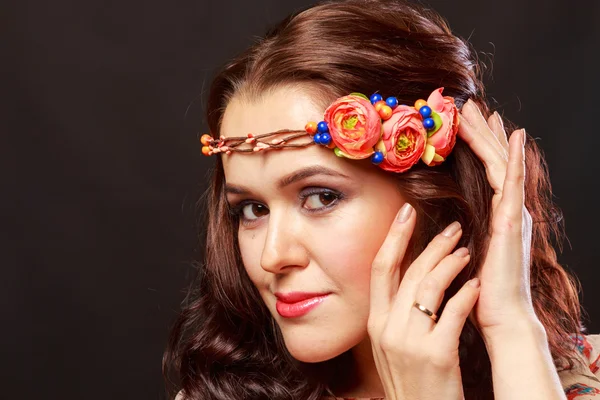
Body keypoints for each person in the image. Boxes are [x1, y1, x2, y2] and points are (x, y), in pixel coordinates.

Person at [163, 0, 600, 398]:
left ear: (435, 199)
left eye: (320, 197)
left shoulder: (582, 375)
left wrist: (513, 328)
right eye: (253, 210)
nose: (272, 257)